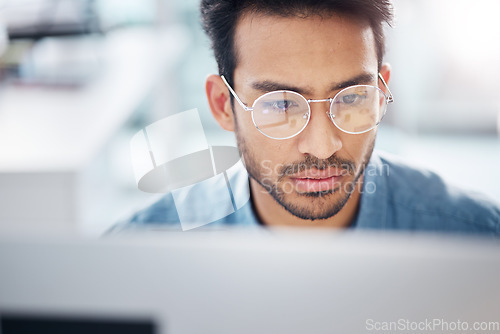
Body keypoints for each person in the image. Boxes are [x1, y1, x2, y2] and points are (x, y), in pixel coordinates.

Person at [117, 0, 500, 235]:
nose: (322, 146)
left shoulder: (477, 240)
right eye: (282, 104)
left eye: (351, 97)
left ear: (381, 92)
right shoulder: (139, 253)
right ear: (222, 105)